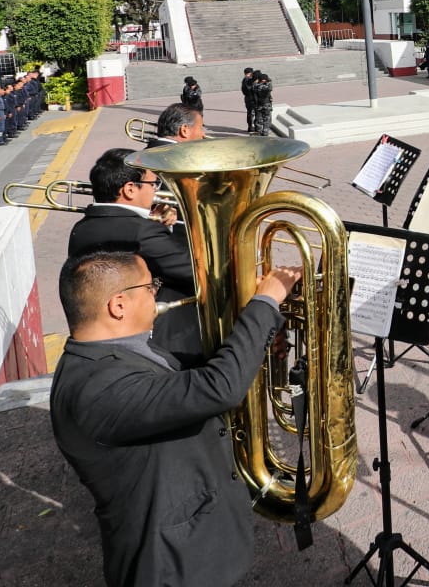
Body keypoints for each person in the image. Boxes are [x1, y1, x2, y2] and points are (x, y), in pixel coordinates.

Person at [51, 249, 300, 587]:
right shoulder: (95, 390)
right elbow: (219, 388)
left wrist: (256, 343)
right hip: (173, 566)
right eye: (149, 286)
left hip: (194, 548)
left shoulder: (117, 351)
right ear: (118, 305)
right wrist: (265, 302)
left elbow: (185, 374)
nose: (156, 292)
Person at [67, 148, 200, 355]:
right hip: (160, 340)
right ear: (130, 189)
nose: (156, 190)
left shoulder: (81, 228)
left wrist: (156, 224)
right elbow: (194, 270)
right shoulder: (142, 231)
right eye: (153, 184)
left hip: (104, 333)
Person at [251, 71, 274, 136]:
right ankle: (265, 132)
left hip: (258, 105)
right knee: (267, 119)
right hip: (267, 105)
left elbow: (254, 86)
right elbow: (270, 87)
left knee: (259, 119)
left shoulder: (255, 85)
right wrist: (269, 81)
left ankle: (259, 131)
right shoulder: (267, 86)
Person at [241, 66, 255, 133]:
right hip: (250, 98)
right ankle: (251, 127)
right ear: (249, 73)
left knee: (250, 113)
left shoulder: (246, 79)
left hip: (248, 98)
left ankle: (250, 127)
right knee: (251, 113)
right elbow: (249, 89)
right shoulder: (247, 80)